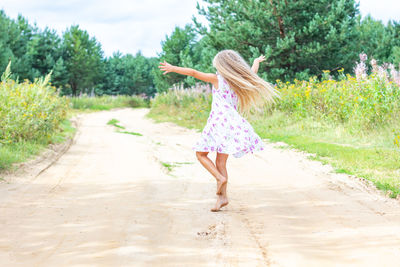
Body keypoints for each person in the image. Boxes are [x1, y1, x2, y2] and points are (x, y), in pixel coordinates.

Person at [159, 49, 279, 211]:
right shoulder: (239, 80)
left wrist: (173, 68)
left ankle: (219, 178)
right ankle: (222, 198)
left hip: (218, 122)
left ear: (222, 66)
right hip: (232, 124)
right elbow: (253, 72)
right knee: (221, 162)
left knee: (200, 154)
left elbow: (193, 72)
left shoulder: (217, 79)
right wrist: (256, 61)